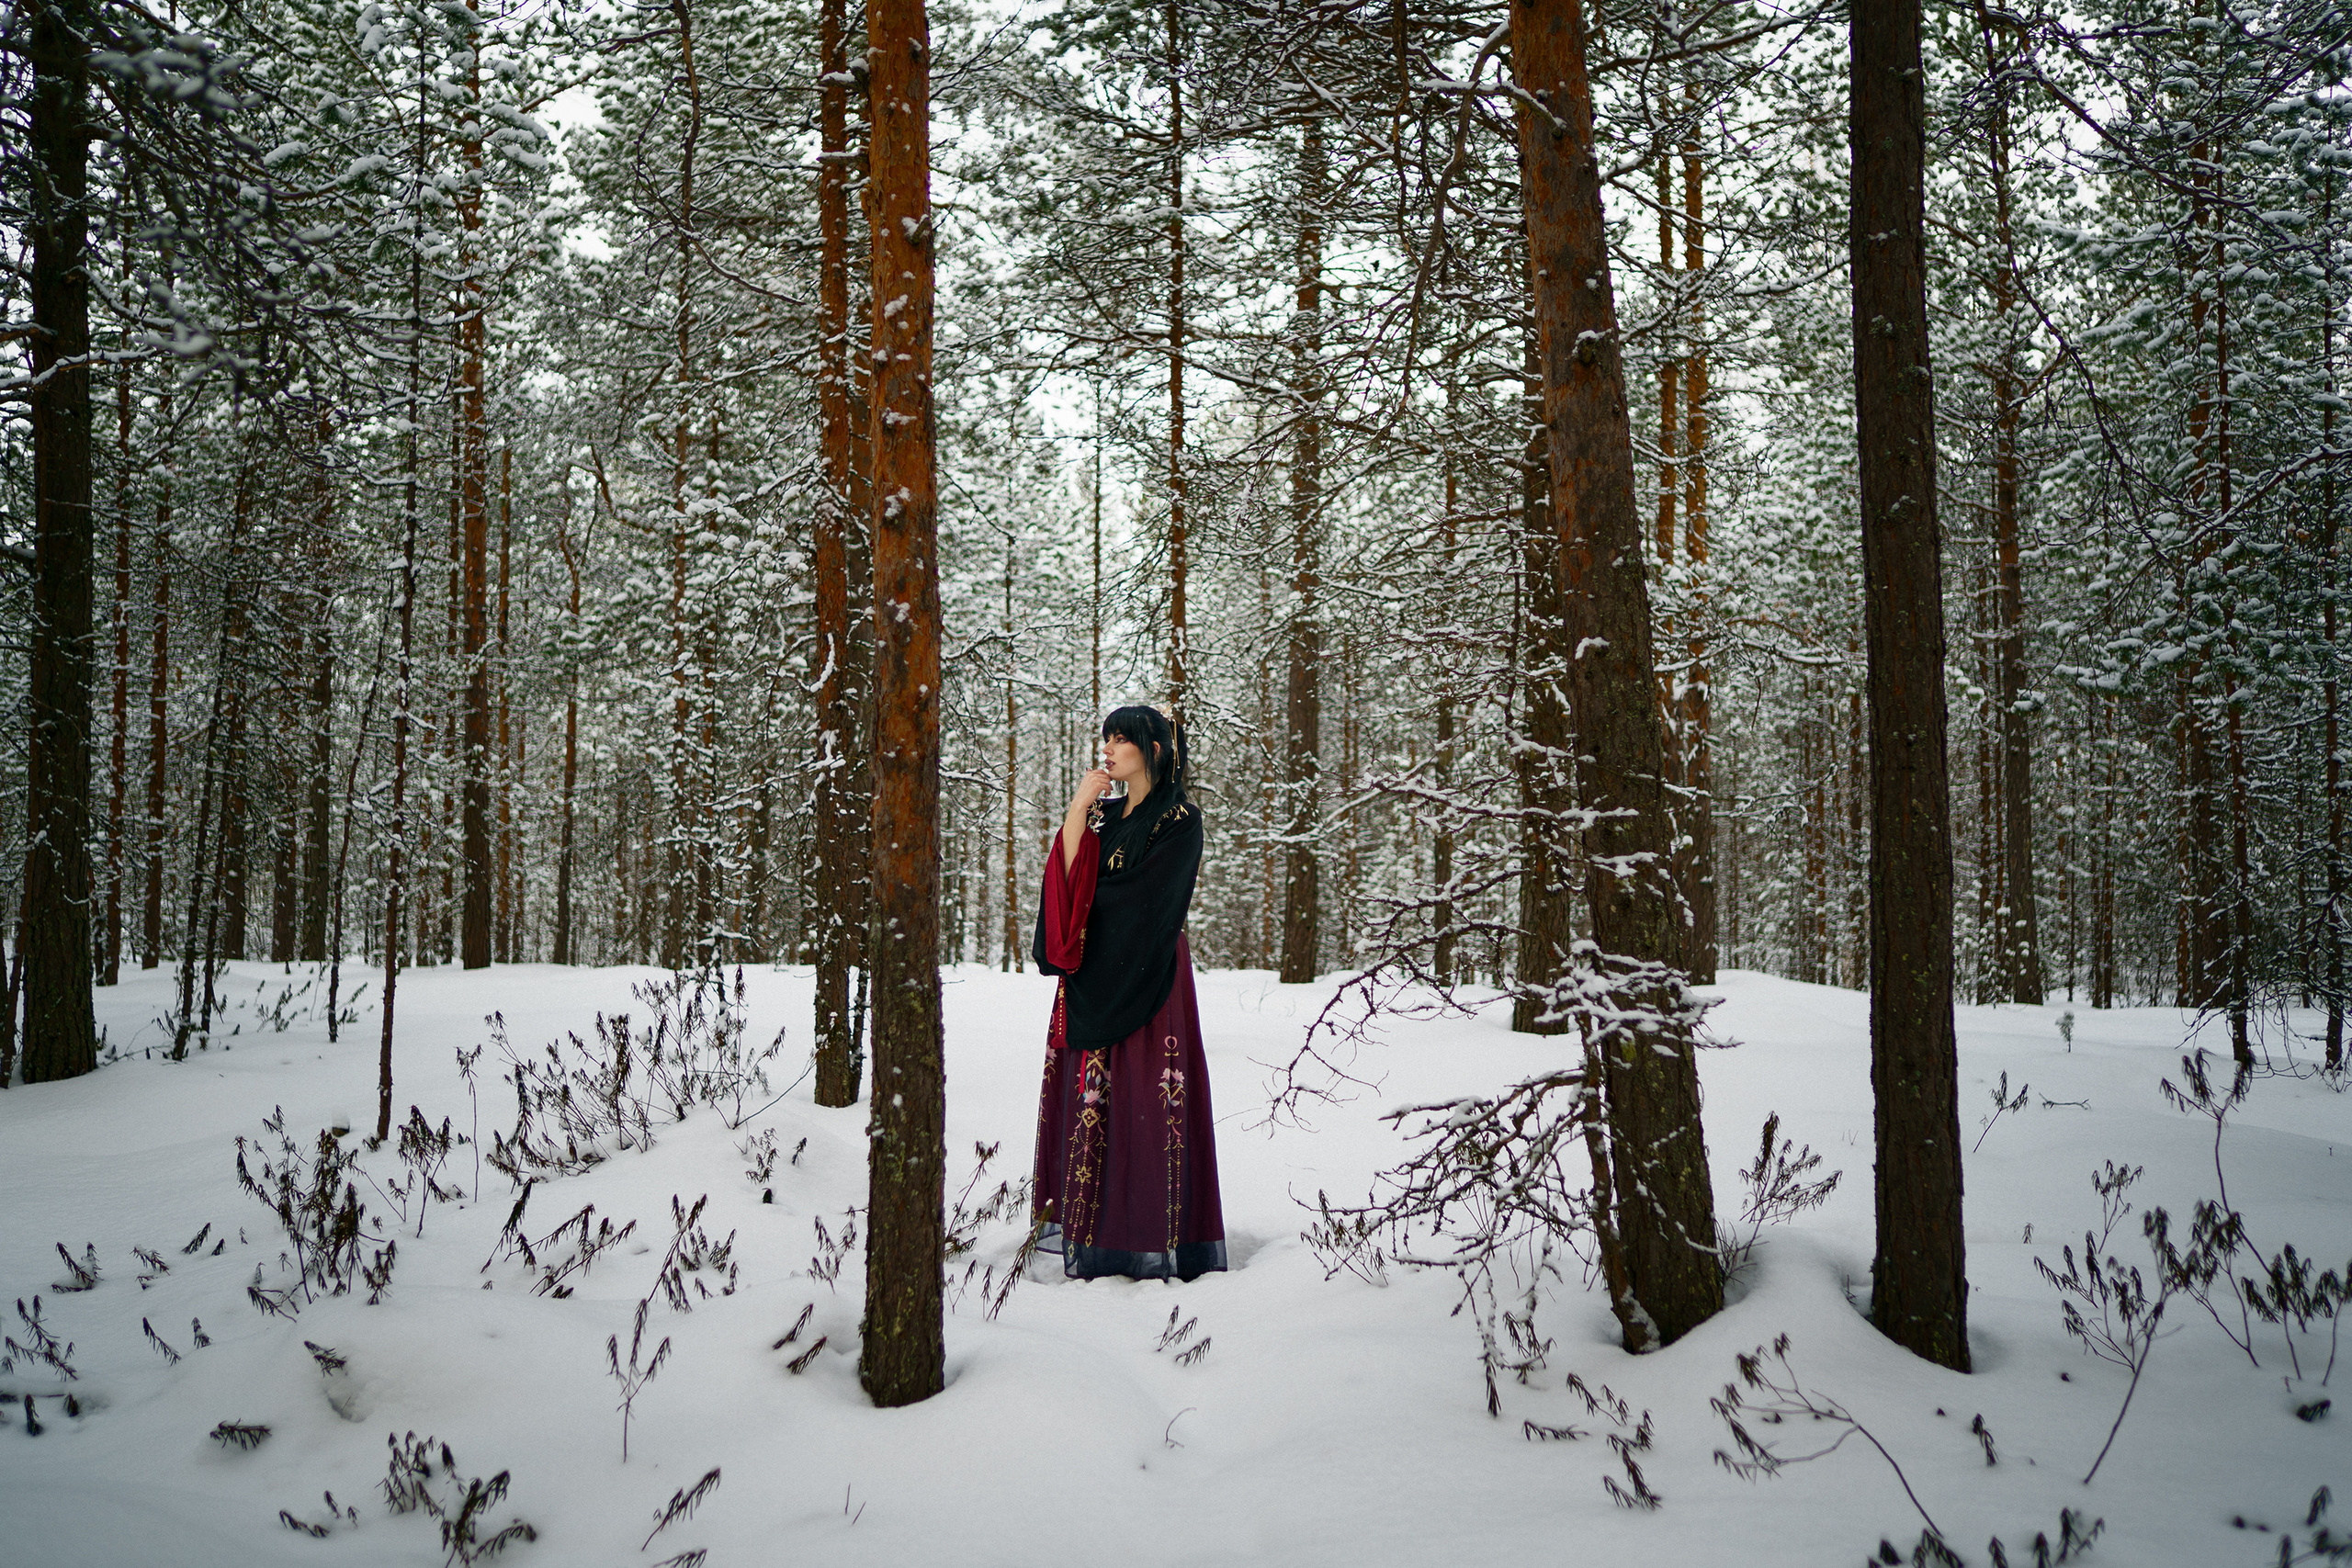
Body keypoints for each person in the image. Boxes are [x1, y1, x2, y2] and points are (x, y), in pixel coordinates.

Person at [1029, 705, 1227, 1281]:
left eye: (1122, 739)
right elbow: (1066, 878)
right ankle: (1095, 1229)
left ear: (1154, 749)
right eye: (1107, 738)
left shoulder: (1179, 819)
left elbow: (1154, 898)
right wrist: (1078, 808)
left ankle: (1145, 1234)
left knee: (1143, 1099)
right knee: (1093, 1102)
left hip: (1149, 971)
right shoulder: (1105, 814)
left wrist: (1091, 909)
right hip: (1091, 975)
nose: (1109, 749)